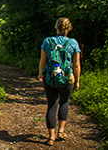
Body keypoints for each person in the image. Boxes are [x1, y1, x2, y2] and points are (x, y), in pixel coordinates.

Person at [38, 18, 81, 146]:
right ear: (69, 29)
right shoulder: (73, 43)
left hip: (50, 77)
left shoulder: (47, 41)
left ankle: (51, 137)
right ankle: (61, 131)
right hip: (67, 78)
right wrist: (77, 81)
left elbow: (42, 61)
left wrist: (41, 73)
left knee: (52, 104)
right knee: (64, 102)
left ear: (56, 27)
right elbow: (77, 64)